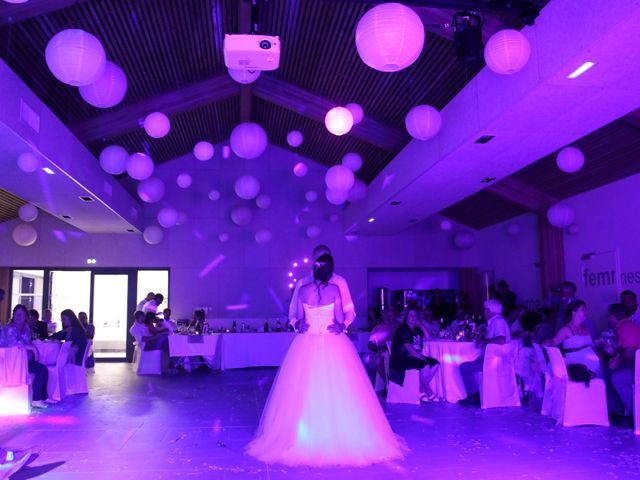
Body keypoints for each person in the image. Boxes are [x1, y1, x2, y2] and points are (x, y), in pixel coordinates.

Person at [246, 254, 405, 467]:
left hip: (306, 342)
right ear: (330, 271)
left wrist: (300, 324)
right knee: (340, 388)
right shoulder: (335, 289)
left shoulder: (302, 289)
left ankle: (303, 433)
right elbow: (340, 318)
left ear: (314, 269)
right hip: (333, 342)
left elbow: (298, 316)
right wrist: (339, 325)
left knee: (304, 387)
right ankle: (340, 432)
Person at [289, 245, 355, 332]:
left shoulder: (340, 282)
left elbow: (349, 310)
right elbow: (293, 312)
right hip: (309, 336)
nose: (323, 262)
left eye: (326, 258)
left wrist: (343, 326)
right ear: (313, 260)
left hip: (333, 336)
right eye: (320, 259)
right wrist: (297, 324)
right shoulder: (302, 283)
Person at [458, 299, 511, 406]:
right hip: (492, 358)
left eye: (485, 310)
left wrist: (485, 341)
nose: (484, 312)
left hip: (494, 360)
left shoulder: (498, 322)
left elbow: (501, 339)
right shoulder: (495, 321)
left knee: (464, 367)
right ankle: (476, 394)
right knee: (472, 361)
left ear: (490, 311)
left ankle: (473, 395)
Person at [0, 305, 51, 408]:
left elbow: (27, 344)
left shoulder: (26, 329)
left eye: (21, 314)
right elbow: (15, 345)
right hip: (9, 363)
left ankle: (40, 397)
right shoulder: (9, 329)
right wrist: (33, 349)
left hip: (22, 361)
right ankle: (37, 399)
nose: (17, 316)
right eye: (16, 313)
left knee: (42, 369)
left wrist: (32, 351)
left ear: (26, 318)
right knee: (41, 370)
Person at [389, 308, 440, 402]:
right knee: (425, 364)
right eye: (410, 316)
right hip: (402, 358)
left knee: (435, 363)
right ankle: (428, 391)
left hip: (413, 356)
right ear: (406, 318)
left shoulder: (416, 329)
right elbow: (410, 350)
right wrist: (423, 359)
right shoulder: (403, 329)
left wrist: (421, 326)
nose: (413, 318)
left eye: (415, 316)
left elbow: (428, 338)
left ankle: (421, 389)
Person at [544, 300, 601, 375]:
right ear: (573, 312)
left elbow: (592, 346)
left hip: (593, 363)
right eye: (583, 309)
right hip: (578, 367)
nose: (586, 312)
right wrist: (547, 344)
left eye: (586, 309)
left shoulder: (585, 328)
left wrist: (599, 344)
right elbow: (553, 342)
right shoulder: (566, 329)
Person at [607, 303, 640, 419]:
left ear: (612, 317)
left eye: (608, 316)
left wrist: (618, 360)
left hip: (637, 369)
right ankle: (619, 410)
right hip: (635, 366)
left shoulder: (624, 328)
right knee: (611, 371)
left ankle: (633, 412)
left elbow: (630, 353)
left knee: (614, 376)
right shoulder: (628, 325)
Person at [367, 307, 400, 388]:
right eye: (388, 316)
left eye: (392, 316)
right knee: (378, 360)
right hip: (382, 353)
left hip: (399, 352)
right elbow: (370, 345)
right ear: (384, 316)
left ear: (396, 316)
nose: (390, 318)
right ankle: (387, 383)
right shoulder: (378, 328)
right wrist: (380, 349)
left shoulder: (400, 326)